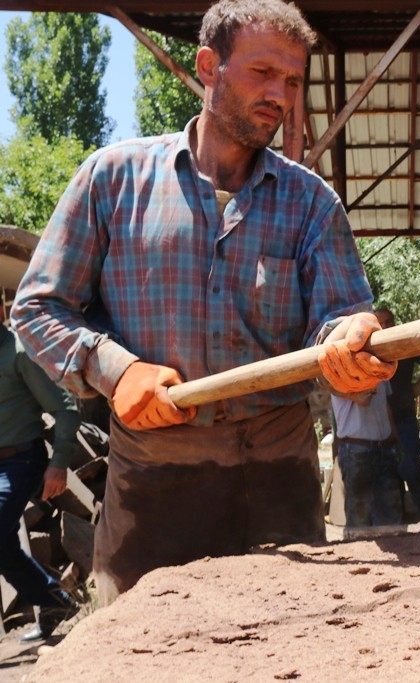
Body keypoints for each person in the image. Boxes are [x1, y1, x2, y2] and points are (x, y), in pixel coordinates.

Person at [11, 0, 394, 604]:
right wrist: (116, 370)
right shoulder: (113, 179)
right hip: (151, 487)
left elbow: (339, 315)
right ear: (209, 65)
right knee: (140, 655)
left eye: (292, 80)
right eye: (262, 73)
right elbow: (36, 308)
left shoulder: (311, 203)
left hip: (278, 482)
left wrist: (350, 338)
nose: (280, 94)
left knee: (292, 648)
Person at [0, 322, 81, 642]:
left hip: (20, 462)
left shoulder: (20, 351)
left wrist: (59, 463)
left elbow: (65, 409)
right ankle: (54, 604)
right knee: (4, 549)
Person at [375, 308, 420, 523]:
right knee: (388, 476)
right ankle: (400, 521)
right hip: (378, 427)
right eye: (381, 322)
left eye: (389, 321)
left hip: (404, 419)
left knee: (411, 467)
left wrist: (417, 387)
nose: (385, 326)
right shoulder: (369, 350)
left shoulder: (402, 345)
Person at [330, 382, 404, 527]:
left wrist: (395, 437)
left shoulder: (381, 367)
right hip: (356, 450)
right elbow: (363, 399)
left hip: (384, 447)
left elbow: (384, 403)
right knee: (359, 518)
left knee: (391, 517)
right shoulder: (340, 368)